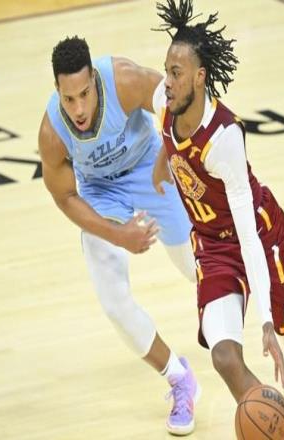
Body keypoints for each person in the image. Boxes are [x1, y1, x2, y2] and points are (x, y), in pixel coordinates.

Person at [151, 0, 284, 417]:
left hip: (259, 234)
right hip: (213, 246)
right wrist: (164, 160)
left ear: (200, 76)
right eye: (166, 70)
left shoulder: (223, 139)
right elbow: (165, 129)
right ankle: (276, 428)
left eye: (176, 73)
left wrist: (266, 320)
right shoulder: (164, 99)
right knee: (223, 356)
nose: (168, 81)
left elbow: (248, 233)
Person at [38, 36, 201, 435]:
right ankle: (179, 378)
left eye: (84, 94)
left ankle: (277, 310)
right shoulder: (52, 132)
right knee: (113, 301)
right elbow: (65, 197)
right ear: (57, 90)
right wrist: (117, 234)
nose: (78, 109)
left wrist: (166, 158)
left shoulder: (124, 80)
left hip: (149, 170)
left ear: (95, 80)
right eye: (68, 98)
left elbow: (178, 102)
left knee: (198, 271)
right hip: (100, 192)